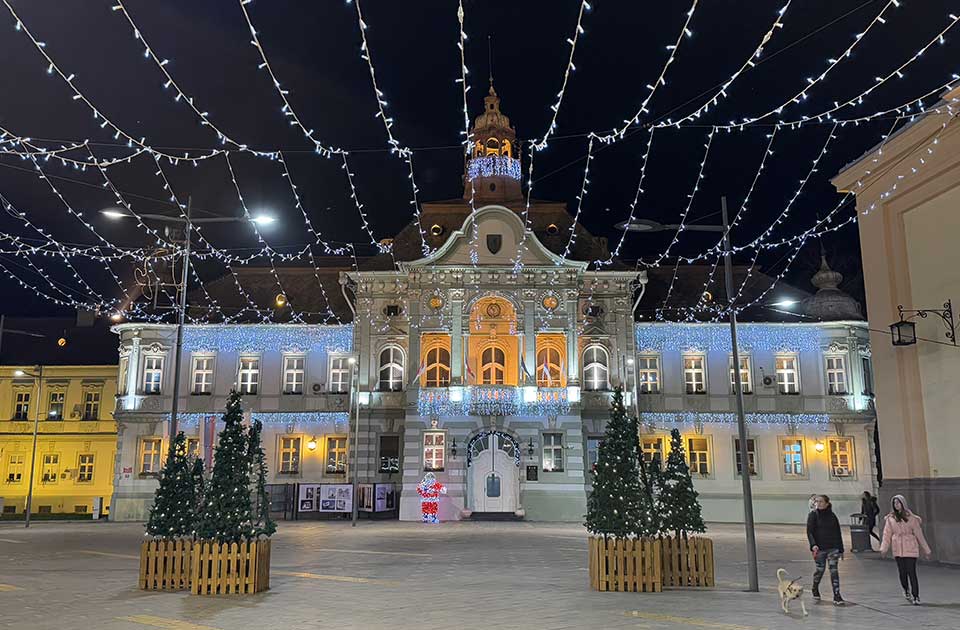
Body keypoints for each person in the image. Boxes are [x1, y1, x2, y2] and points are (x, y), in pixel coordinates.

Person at [879, 495, 931, 605]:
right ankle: (906, 589)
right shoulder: (890, 519)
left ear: (903, 503)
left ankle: (916, 595)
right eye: (894, 503)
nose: (896, 505)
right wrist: (884, 548)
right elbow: (886, 534)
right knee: (902, 572)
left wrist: (927, 550)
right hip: (898, 548)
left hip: (910, 547)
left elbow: (919, 534)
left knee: (911, 572)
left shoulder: (912, 518)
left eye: (898, 503)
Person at [806, 494, 846, 605]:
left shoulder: (832, 516)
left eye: (821, 502)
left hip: (833, 548)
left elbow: (838, 533)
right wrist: (813, 545)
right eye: (816, 502)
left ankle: (837, 595)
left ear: (827, 503)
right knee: (820, 570)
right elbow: (809, 532)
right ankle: (815, 587)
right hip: (819, 549)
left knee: (834, 571)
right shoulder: (813, 515)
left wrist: (841, 549)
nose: (818, 504)